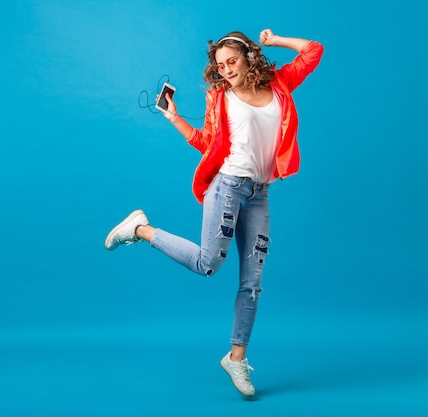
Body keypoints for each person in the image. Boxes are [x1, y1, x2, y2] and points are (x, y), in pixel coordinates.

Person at [104, 28, 323, 397]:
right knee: (208, 264)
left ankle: (236, 358)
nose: (226, 69)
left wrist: (273, 41)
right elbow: (208, 142)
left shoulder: (280, 83)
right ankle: (140, 229)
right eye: (220, 65)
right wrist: (174, 117)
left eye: (232, 60)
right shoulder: (220, 97)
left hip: (259, 192)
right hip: (227, 187)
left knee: (252, 283)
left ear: (248, 57)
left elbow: (314, 50)